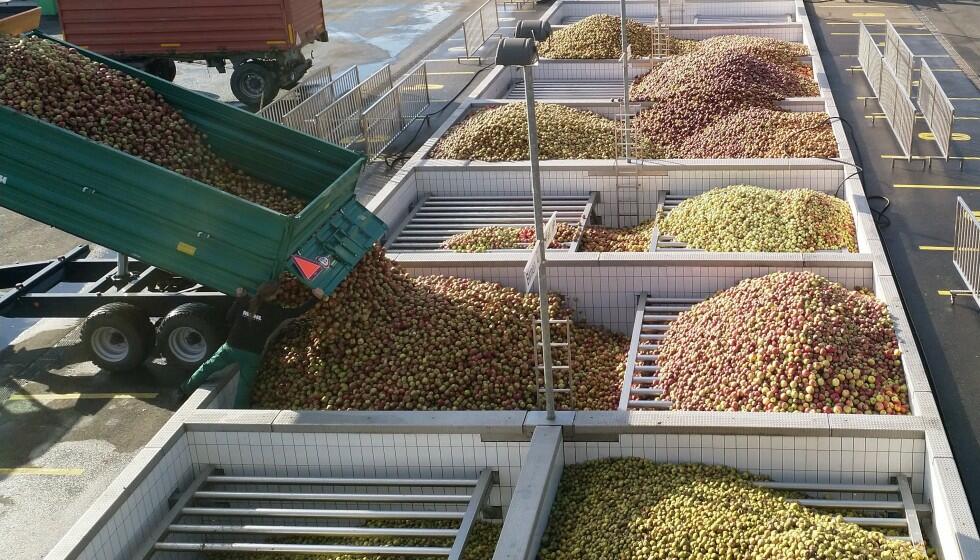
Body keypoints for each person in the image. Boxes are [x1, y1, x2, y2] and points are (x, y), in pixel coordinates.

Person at [178, 281, 324, 407]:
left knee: (208, 367)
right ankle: (238, 414)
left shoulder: (246, 302)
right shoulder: (276, 312)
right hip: (252, 354)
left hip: (231, 347)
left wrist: (239, 299)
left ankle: (183, 390)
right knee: (245, 386)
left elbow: (229, 318)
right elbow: (296, 312)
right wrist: (315, 298)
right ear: (274, 294)